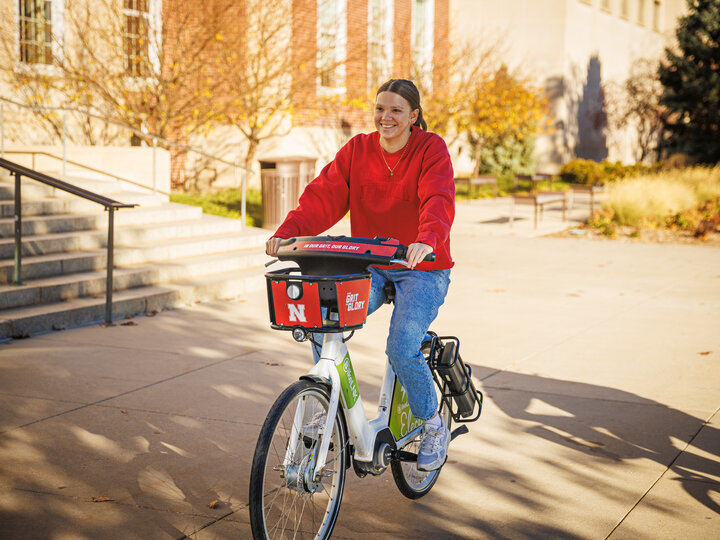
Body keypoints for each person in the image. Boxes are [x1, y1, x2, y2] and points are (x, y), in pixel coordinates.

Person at [266, 79, 455, 471]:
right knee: (324, 321)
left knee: (402, 346)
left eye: (396, 110)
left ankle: (433, 424)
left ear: (413, 116)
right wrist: (288, 231)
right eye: (380, 109)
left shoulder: (430, 149)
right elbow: (323, 196)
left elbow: (438, 198)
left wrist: (427, 239)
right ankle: (328, 403)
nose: (386, 117)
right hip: (368, 263)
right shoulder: (358, 150)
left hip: (420, 266)